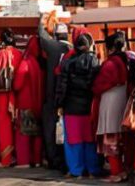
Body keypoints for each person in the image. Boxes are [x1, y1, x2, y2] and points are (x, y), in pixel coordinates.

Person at [56, 29, 101, 178]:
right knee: (89, 140)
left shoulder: (68, 63)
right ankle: (92, 169)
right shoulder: (95, 61)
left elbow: (62, 87)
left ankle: (76, 170)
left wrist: (60, 104)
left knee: (73, 141)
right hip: (89, 107)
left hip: (71, 106)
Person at [92, 31, 129, 183]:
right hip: (122, 100)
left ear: (110, 48)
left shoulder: (110, 63)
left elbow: (98, 86)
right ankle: (122, 171)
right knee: (119, 139)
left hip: (110, 101)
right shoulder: (127, 60)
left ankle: (116, 172)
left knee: (110, 139)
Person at [38, 14, 72, 172]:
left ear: (56, 36)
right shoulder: (72, 49)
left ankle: (53, 160)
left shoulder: (53, 47)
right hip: (70, 98)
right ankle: (69, 160)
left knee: (51, 129)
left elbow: (41, 35)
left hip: (52, 96)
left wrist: (42, 20)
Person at [0, 29, 22, 167]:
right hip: (15, 92)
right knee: (14, 125)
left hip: (2, 93)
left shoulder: (2, 53)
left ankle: (5, 159)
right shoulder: (18, 53)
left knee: (3, 125)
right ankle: (14, 156)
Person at [13, 35, 45, 168]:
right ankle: (37, 160)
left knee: (24, 133)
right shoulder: (42, 63)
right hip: (39, 101)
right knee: (37, 133)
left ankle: (24, 160)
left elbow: (17, 84)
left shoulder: (26, 62)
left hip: (25, 102)